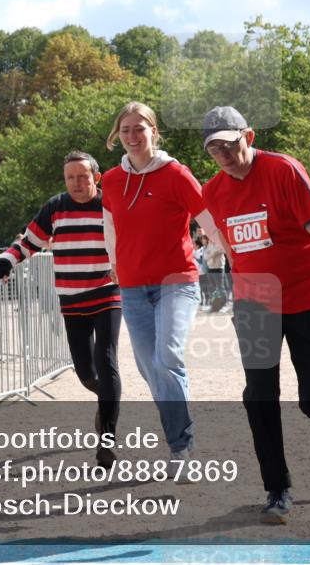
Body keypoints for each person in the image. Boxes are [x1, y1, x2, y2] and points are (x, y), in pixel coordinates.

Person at [199, 105, 310, 524]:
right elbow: (234, 250)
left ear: (248, 137)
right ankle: (277, 489)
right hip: (257, 306)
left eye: (230, 145)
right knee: (258, 396)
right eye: (214, 149)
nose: (224, 155)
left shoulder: (284, 171)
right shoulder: (212, 193)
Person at [101, 101, 220, 467]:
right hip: (133, 285)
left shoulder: (176, 174)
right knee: (150, 368)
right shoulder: (110, 180)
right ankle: (179, 430)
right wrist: (114, 263)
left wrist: (227, 259)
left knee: (167, 357)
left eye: (140, 128)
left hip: (177, 280)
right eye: (126, 130)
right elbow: (110, 226)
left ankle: (180, 447)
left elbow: (209, 222)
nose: (133, 136)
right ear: (117, 136)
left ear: (154, 131)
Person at [0, 151, 123, 467]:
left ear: (96, 176)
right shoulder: (55, 207)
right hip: (72, 300)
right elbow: (29, 242)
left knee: (106, 362)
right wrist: (6, 260)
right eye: (70, 178)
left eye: (83, 177)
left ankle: (107, 437)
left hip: (107, 294)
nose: (77, 183)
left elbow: (133, 239)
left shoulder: (110, 205)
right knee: (86, 373)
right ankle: (106, 400)